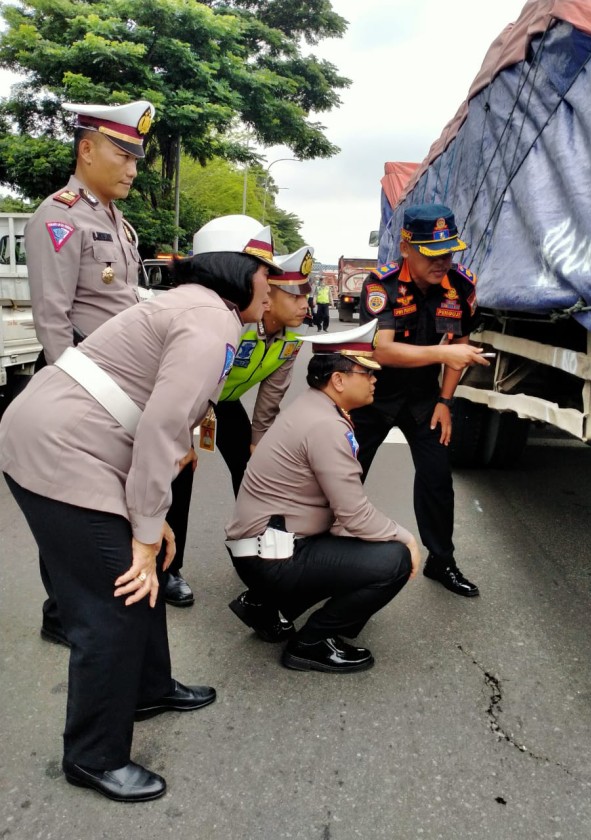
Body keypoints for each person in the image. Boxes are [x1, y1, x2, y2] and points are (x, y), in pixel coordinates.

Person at [0, 214, 280, 801]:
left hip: (76, 441)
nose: (274, 288)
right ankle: (93, 755)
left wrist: (147, 523)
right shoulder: (211, 325)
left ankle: (149, 687)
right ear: (240, 271)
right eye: (268, 273)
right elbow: (159, 429)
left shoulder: (198, 307)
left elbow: (157, 425)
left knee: (141, 575)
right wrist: (148, 533)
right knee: (116, 599)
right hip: (62, 450)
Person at [23, 99, 197, 616]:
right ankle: (61, 608)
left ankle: (155, 570)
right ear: (86, 149)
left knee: (135, 485)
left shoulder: (119, 223)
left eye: (137, 158)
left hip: (121, 383)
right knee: (73, 498)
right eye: (123, 155)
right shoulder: (59, 217)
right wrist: (72, 392)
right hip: (82, 383)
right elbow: (53, 318)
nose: (133, 169)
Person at [225, 321, 421, 673]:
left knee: (359, 551)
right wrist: (406, 539)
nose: (376, 379)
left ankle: (264, 605)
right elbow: (355, 515)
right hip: (273, 556)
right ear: (339, 380)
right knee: (393, 562)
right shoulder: (325, 425)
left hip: (265, 547)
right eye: (367, 372)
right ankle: (312, 643)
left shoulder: (315, 407)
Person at [351, 204, 490, 597]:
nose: (442, 261)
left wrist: (446, 401)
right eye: (433, 253)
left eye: (448, 252)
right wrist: (444, 355)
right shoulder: (382, 285)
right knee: (347, 473)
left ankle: (441, 560)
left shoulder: (460, 285)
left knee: (437, 478)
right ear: (407, 247)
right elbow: (383, 350)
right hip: (373, 395)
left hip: (426, 399)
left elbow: (461, 347)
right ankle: (332, 551)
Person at [214, 244, 313, 496]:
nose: (305, 305)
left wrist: (258, 441)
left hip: (226, 401)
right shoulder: (238, 324)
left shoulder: (294, 335)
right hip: (190, 398)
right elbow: (189, 378)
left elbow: (273, 392)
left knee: (251, 468)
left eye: (305, 296)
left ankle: (248, 532)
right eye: (294, 297)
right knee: (178, 467)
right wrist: (179, 439)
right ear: (267, 298)